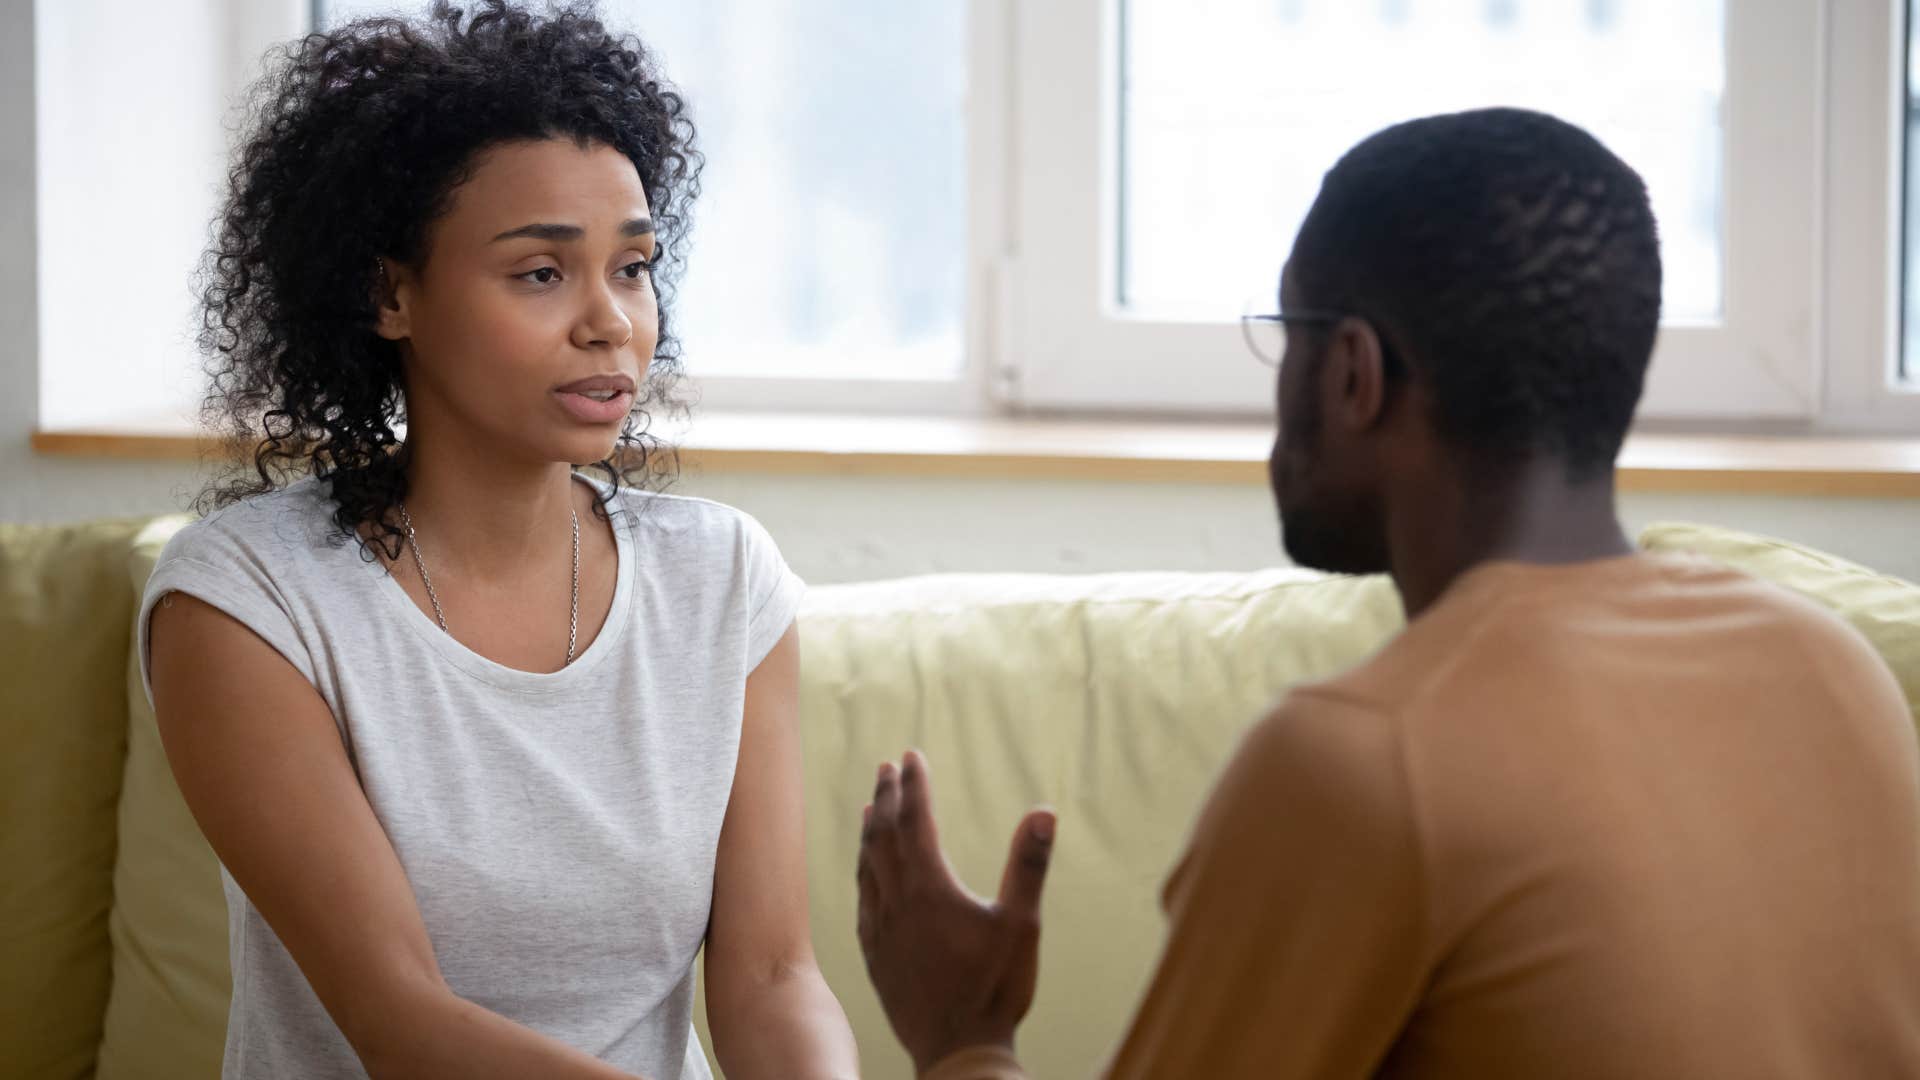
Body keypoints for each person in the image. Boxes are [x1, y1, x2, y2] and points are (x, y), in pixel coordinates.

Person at [855, 107, 1920, 1078]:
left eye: (1287, 335)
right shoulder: (1833, 668)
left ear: (1354, 373)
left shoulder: (1363, 764)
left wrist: (966, 1034)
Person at [142, 3, 857, 1077]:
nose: (610, 321)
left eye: (633, 267)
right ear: (392, 294)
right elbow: (402, 1024)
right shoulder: (247, 600)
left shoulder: (722, 577)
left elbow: (772, 979)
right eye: (541, 273)